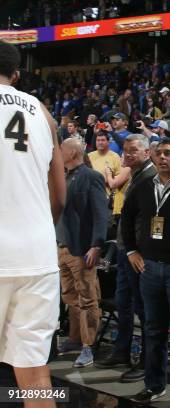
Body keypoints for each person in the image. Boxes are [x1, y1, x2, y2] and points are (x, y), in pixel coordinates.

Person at [0, 39, 66, 408]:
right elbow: (59, 196)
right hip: (38, 255)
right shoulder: (43, 112)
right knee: (37, 375)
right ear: (17, 74)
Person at [122, 139, 170, 407]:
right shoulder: (143, 186)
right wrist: (131, 250)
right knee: (152, 330)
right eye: (159, 153)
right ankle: (153, 386)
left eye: (168, 154)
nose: (162, 157)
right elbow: (127, 218)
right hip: (150, 268)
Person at [94, 134, 156, 383]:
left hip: (138, 255)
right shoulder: (138, 174)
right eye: (125, 151)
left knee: (145, 309)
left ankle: (146, 362)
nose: (127, 155)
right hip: (125, 250)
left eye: (133, 151)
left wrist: (137, 251)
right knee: (124, 304)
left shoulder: (151, 177)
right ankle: (122, 351)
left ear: (146, 152)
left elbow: (151, 221)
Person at [56, 138, 108, 368]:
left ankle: (88, 347)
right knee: (69, 297)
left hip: (81, 249)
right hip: (61, 247)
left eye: (61, 149)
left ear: (73, 153)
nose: (58, 152)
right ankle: (75, 338)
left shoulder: (91, 177)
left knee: (87, 299)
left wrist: (97, 244)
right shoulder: (61, 176)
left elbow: (100, 214)